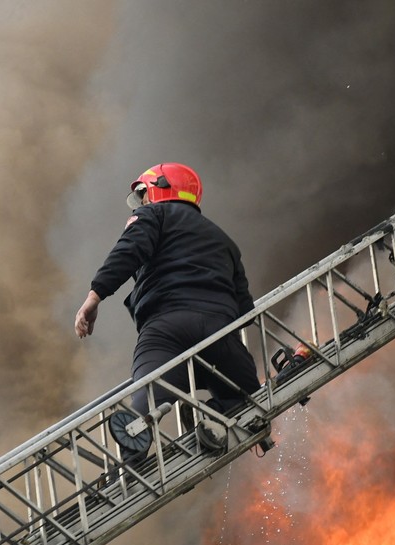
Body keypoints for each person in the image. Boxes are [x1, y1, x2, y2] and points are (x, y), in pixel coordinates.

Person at [74, 162, 259, 426]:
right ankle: (210, 417)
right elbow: (246, 311)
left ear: (159, 188)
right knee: (250, 400)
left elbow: (127, 252)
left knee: (145, 402)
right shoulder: (225, 241)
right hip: (219, 331)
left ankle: (135, 437)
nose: (142, 202)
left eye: (143, 194)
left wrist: (94, 298)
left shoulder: (153, 215)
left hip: (166, 329)